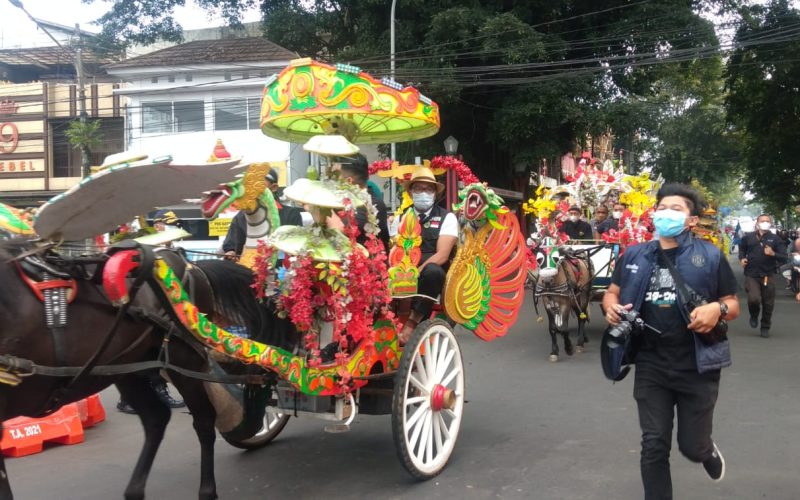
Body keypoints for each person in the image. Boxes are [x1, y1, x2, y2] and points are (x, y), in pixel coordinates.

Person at [603, 183, 739, 500]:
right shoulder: (634, 254)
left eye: (676, 209)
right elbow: (612, 292)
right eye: (662, 207)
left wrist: (715, 309)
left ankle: (704, 449)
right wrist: (610, 306)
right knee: (653, 443)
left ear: (691, 220)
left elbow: (731, 304)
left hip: (697, 362)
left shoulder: (710, 256)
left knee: (691, 446)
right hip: (651, 362)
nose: (666, 213)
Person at [117, 209, 186, 414]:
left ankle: (155, 390)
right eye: (169, 224)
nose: (175, 227)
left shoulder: (171, 249)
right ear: (157, 226)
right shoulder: (146, 249)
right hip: (144, 309)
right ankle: (134, 397)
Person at [397, 167, 459, 344]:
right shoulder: (402, 217)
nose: (424, 193)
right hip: (402, 268)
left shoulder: (447, 218)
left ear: (434, 193)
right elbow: (393, 249)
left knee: (433, 271)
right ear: (411, 192)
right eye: (419, 189)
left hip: (429, 272)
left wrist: (418, 270)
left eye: (429, 189)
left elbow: (442, 255)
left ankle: (412, 322)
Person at [222, 167, 304, 261]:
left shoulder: (292, 215)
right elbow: (231, 246)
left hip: (284, 272)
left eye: (258, 185)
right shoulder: (241, 217)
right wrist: (231, 253)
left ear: (273, 187)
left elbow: (298, 248)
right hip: (249, 270)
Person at [739, 214, 786, 338]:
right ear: (757, 222)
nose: (765, 222)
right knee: (754, 298)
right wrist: (742, 258)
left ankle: (765, 326)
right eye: (762, 221)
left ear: (771, 223)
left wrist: (773, 253)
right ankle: (754, 314)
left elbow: (784, 257)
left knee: (768, 303)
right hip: (751, 274)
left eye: (767, 221)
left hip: (768, 274)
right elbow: (742, 249)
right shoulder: (748, 237)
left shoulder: (776, 239)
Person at [330, 153, 391, 250]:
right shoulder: (340, 201)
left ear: (348, 181)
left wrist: (322, 209)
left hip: (364, 262)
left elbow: (341, 229)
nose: (330, 181)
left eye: (334, 176)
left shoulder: (373, 204)